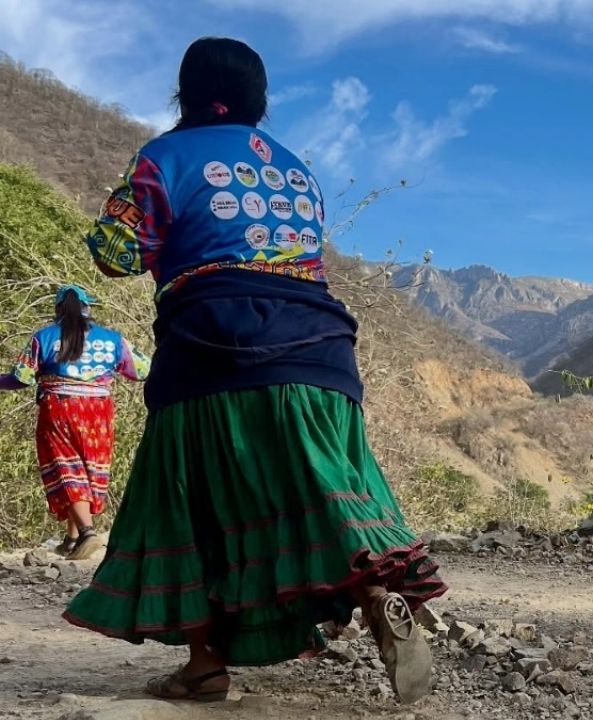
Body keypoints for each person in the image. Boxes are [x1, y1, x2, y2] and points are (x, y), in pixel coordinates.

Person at [63, 37, 446, 703]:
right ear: (258, 99)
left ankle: (204, 664)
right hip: (321, 352)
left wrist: (116, 210)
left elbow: (119, 254)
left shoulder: (164, 156)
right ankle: (380, 591)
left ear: (184, 92)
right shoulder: (297, 171)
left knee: (190, 503)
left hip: (214, 348)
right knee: (322, 492)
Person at [0, 285, 149, 560]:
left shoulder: (44, 337)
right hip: (99, 411)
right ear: (87, 308)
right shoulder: (112, 339)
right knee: (88, 469)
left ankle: (88, 532)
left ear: (58, 310)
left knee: (66, 468)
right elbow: (141, 370)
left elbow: (20, 377)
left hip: (60, 409)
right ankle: (72, 538)